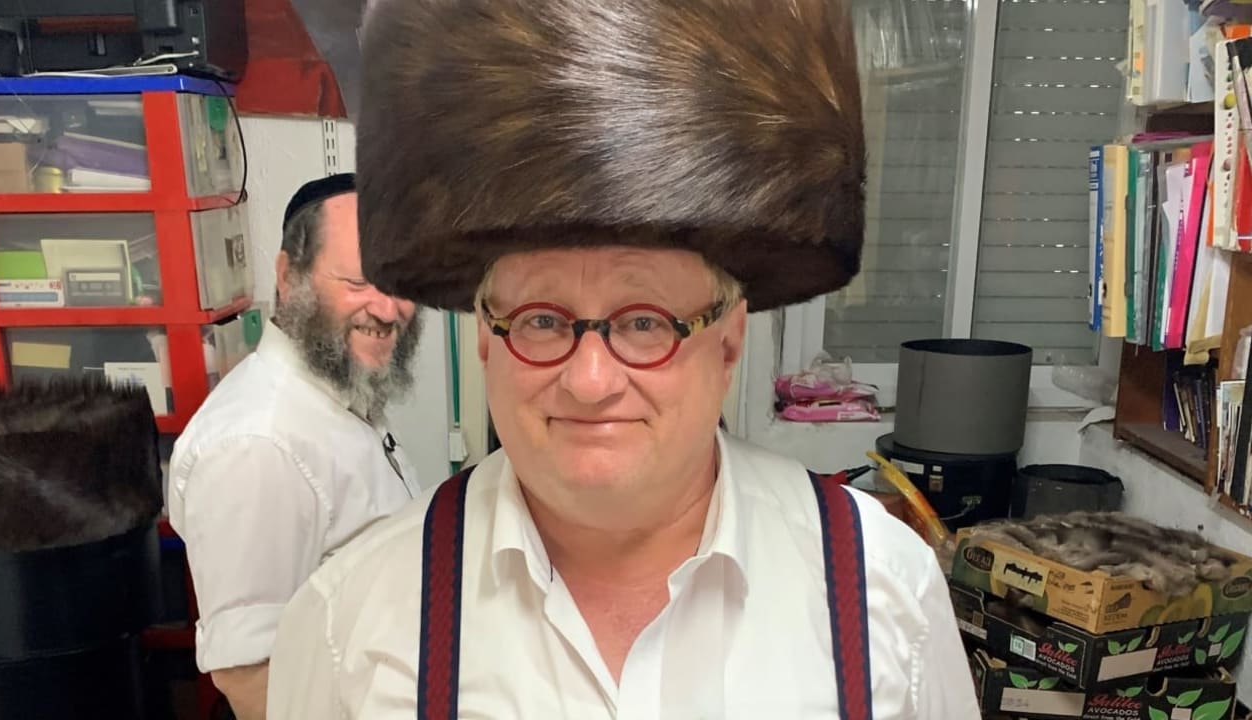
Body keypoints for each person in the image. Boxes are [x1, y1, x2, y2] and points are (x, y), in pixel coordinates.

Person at [269, 1, 980, 717]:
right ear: (485, 339)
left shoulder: (887, 598)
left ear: (728, 341)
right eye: (541, 320)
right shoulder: (348, 626)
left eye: (645, 323)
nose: (590, 381)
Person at [168, 173, 425, 720]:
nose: (388, 309)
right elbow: (250, 681)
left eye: (400, 282)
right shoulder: (256, 447)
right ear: (289, 277)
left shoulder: (338, 394)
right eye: (359, 281)